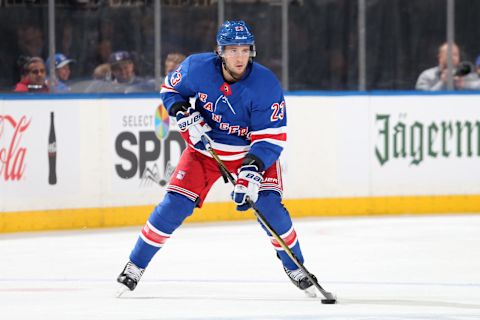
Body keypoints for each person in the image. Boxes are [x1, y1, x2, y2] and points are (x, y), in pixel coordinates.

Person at [116, 20, 318, 298]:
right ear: (220, 52)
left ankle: (295, 266)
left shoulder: (265, 84)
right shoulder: (196, 68)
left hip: (251, 155)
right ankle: (135, 265)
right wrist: (182, 113)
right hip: (205, 152)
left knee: (269, 207)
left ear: (252, 51)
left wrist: (251, 170)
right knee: (174, 205)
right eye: (232, 50)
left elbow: (271, 138)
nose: (239, 56)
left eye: (245, 49)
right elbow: (170, 90)